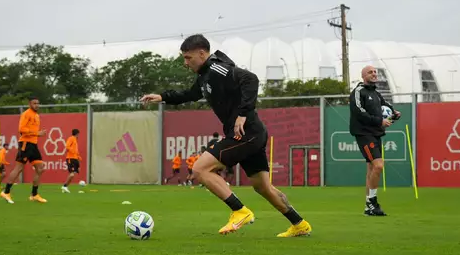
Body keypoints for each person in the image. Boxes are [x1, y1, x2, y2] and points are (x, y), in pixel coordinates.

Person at [140, 34, 311, 237]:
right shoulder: (205, 76)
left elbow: (250, 79)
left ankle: (239, 211)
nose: (185, 63)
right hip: (251, 134)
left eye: (188, 57)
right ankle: (299, 224)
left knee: (199, 169)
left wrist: (242, 114)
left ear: (202, 53)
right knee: (263, 188)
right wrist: (162, 96)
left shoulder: (216, 69)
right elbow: (190, 94)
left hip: (245, 133)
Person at [349, 66, 400, 216]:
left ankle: (368, 207)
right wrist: (380, 121)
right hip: (364, 133)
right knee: (378, 165)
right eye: (370, 72)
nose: (374, 74)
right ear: (363, 75)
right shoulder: (358, 92)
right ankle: (373, 203)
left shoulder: (376, 93)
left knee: (371, 169)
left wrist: (394, 113)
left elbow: (386, 107)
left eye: (375, 72)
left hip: (376, 133)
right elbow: (358, 112)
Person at [1, 96, 47, 204]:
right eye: (34, 103)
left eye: (38, 103)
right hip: (25, 144)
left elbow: (32, 130)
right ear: (29, 104)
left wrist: (38, 134)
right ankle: (6, 192)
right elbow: (21, 129)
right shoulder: (26, 114)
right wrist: (37, 133)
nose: (37, 105)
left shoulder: (36, 115)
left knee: (40, 168)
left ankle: (34, 194)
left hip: (33, 145)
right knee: (19, 169)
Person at [61, 128, 81, 194]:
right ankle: (64, 186)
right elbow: (67, 146)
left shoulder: (75, 140)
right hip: (70, 158)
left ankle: (65, 187)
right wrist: (72, 151)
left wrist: (78, 156)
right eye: (78, 134)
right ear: (77, 133)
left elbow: (76, 150)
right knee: (72, 174)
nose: (79, 135)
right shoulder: (71, 138)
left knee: (73, 174)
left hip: (75, 159)